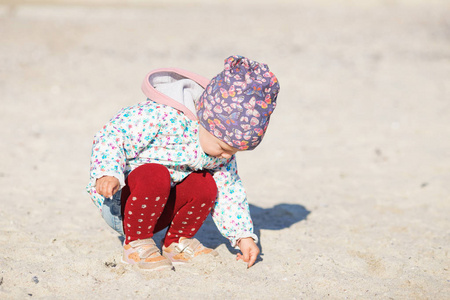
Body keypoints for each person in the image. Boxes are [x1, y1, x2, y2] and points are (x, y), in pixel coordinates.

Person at [86, 55, 280, 271]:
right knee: (154, 173)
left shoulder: (220, 154)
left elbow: (230, 191)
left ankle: (177, 242)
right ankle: (135, 244)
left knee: (206, 183)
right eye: (223, 148)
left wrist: (242, 235)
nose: (226, 156)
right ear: (205, 121)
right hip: (121, 205)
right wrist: (107, 172)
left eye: (234, 151)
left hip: (158, 211)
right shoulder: (162, 117)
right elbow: (113, 134)